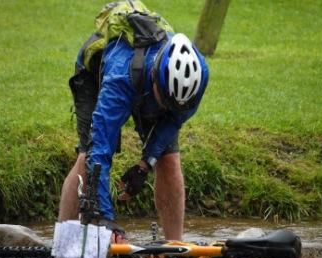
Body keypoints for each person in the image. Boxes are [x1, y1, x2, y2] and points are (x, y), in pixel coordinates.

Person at [58, 8, 209, 243]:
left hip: (147, 85)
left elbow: (173, 120)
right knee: (86, 157)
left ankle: (174, 249)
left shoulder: (196, 81)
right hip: (98, 75)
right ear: (156, 78)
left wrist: (144, 164)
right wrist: (106, 218)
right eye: (166, 101)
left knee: (169, 159)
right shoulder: (119, 81)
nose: (169, 108)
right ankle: (64, 246)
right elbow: (100, 153)